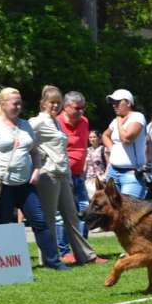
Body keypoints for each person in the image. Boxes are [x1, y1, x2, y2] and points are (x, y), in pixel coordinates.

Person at [0, 87, 67, 270]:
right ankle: (6, 265)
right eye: (14, 103)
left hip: (25, 183)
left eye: (20, 103)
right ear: (3, 104)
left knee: (40, 221)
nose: (19, 106)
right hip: (3, 183)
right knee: (5, 225)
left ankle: (54, 262)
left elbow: (35, 151)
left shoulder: (25, 125)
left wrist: (36, 170)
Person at [30, 86, 107, 265]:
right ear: (43, 104)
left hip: (64, 174)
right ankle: (49, 258)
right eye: (52, 102)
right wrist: (39, 156)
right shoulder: (38, 121)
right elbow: (23, 137)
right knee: (49, 218)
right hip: (48, 174)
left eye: (58, 102)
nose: (55, 106)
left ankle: (85, 255)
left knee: (72, 216)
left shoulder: (54, 122)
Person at [55, 91, 91, 256]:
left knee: (85, 210)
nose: (81, 111)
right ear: (66, 107)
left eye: (83, 108)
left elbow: (83, 147)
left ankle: (82, 249)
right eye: (77, 108)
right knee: (63, 216)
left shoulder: (84, 122)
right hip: (63, 176)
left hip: (79, 175)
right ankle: (64, 251)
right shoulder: (56, 123)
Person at [102, 89, 148, 199]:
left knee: (129, 213)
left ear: (128, 103)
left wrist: (119, 121)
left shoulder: (137, 117)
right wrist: (113, 149)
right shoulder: (116, 120)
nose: (114, 105)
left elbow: (127, 139)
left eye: (117, 102)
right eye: (112, 103)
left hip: (131, 173)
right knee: (112, 211)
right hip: (113, 172)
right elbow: (105, 135)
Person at [84, 130, 108, 199]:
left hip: (100, 180)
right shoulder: (87, 150)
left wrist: (104, 176)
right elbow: (85, 165)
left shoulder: (104, 149)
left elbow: (109, 164)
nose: (92, 139)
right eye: (90, 137)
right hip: (88, 180)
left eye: (94, 137)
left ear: (99, 138)